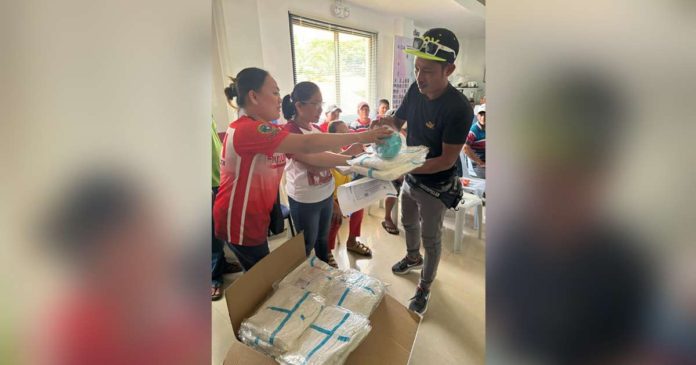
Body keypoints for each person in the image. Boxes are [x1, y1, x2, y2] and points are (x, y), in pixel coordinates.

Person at [213, 68, 392, 271]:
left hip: (255, 216)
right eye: (274, 92)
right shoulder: (249, 129)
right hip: (240, 219)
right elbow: (308, 147)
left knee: (266, 276)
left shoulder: (264, 128)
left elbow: (321, 151)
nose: (280, 99)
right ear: (253, 96)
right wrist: (360, 136)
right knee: (263, 282)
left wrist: (356, 158)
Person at [376, 28, 473, 314]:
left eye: (428, 71)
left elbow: (445, 160)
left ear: (449, 69)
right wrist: (383, 124)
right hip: (412, 177)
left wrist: (404, 165)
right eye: (417, 69)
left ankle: (425, 286)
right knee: (407, 222)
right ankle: (411, 257)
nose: (420, 77)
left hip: (436, 185)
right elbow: (397, 121)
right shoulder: (415, 90)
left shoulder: (459, 108)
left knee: (431, 238)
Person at [282, 82, 369, 264]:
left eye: (321, 103)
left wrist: (351, 152)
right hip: (305, 199)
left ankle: (324, 269)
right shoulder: (290, 132)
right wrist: (351, 155)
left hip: (326, 194)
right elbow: (315, 163)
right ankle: (305, 276)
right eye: (315, 104)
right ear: (299, 105)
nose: (320, 109)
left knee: (322, 238)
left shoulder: (314, 129)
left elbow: (329, 159)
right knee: (307, 243)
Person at [325, 120, 373, 268]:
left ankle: (352, 241)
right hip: (331, 198)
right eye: (342, 132)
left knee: (359, 206)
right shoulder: (326, 155)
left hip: (344, 192)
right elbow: (324, 185)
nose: (347, 134)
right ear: (332, 135)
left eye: (347, 130)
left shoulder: (344, 151)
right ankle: (327, 251)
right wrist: (334, 204)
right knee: (336, 218)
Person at [211, 118, 242, 301]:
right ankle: (213, 278)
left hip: (219, 180)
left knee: (221, 229)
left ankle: (221, 264)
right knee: (209, 234)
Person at [463, 106, 486, 178]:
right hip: (478, 162)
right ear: (477, 115)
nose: (483, 117)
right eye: (481, 115)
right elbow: (465, 148)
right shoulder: (474, 130)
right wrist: (480, 162)